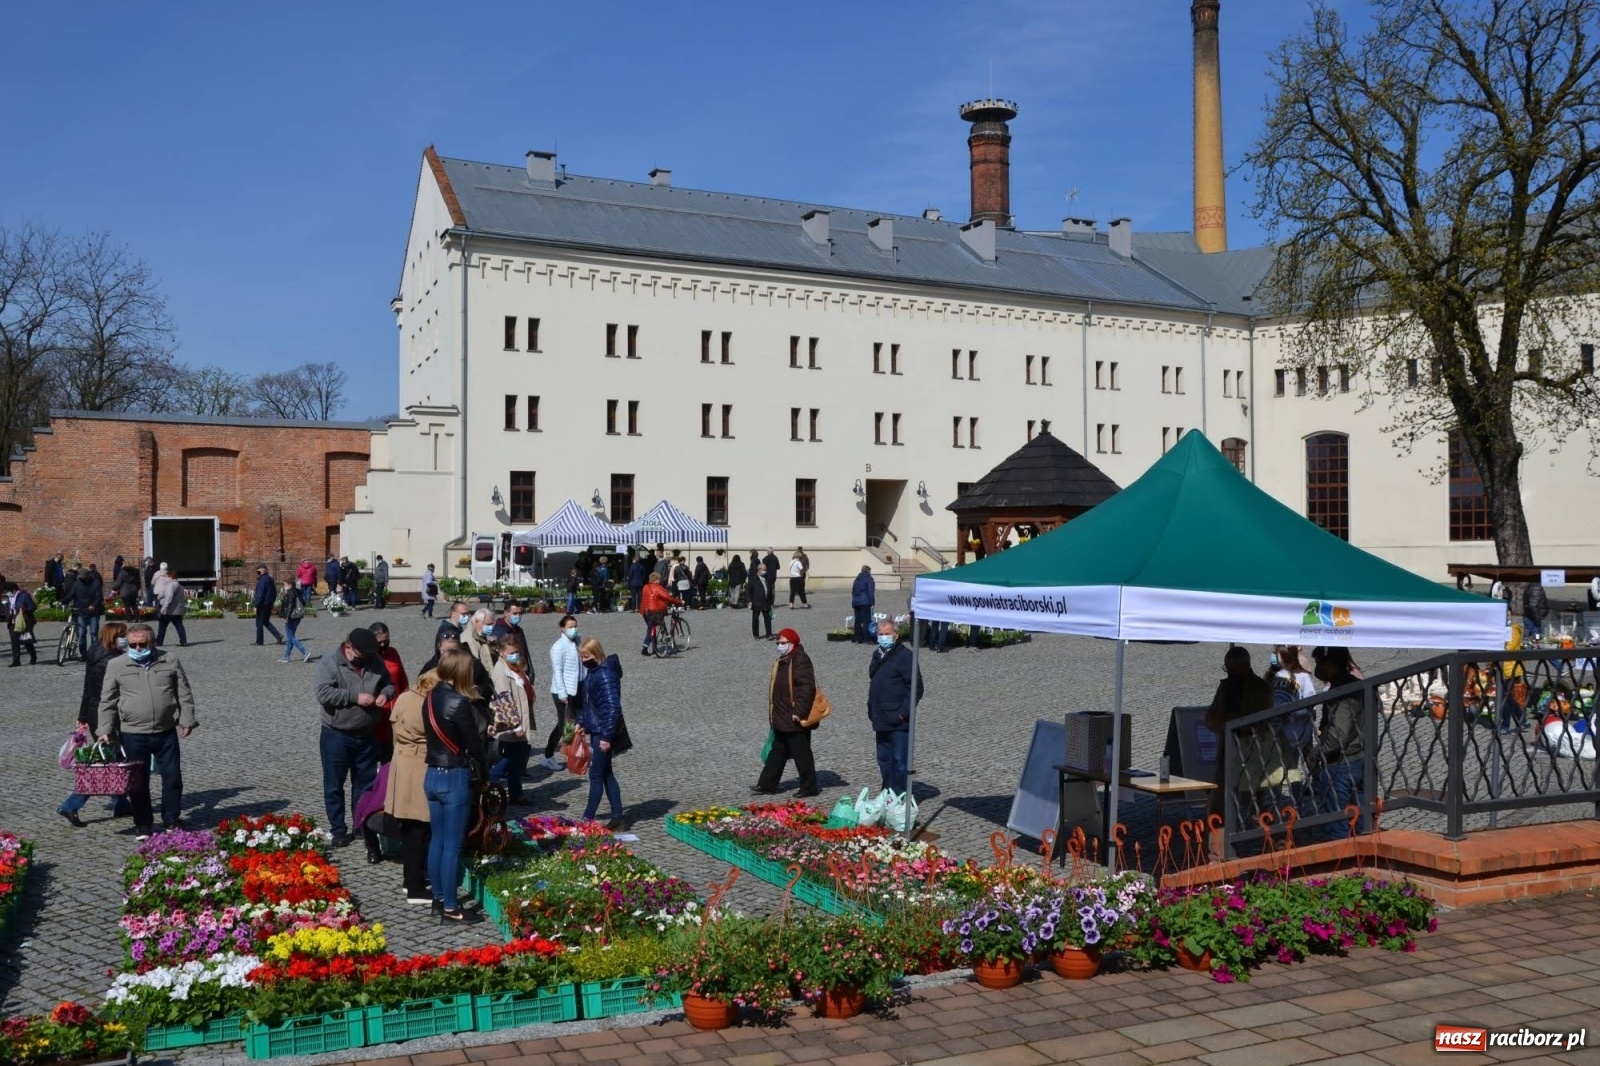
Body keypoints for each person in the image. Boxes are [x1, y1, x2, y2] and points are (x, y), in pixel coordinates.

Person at [98, 623, 197, 837]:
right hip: (133, 733)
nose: (138, 648)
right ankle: (143, 824)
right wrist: (104, 728)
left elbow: (184, 692)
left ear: (152, 643)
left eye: (143, 644)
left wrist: (187, 719)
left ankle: (171, 819)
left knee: (172, 777)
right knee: (138, 782)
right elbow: (108, 699)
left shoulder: (169, 659)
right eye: (133, 644)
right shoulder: (117, 665)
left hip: (166, 731)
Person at [420, 649, 488, 923]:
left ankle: (437, 898)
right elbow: (475, 745)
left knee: (436, 839)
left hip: (432, 775)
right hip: (453, 776)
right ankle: (451, 907)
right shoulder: (459, 703)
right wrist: (485, 777)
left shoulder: (429, 697)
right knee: (453, 845)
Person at [314, 627, 396, 849]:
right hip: (337, 734)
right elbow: (322, 693)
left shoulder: (373, 660)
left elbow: (389, 682)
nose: (366, 660)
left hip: (367, 734)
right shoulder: (330, 662)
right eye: (362, 656)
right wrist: (354, 697)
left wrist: (384, 695)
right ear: (349, 648)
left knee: (365, 783)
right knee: (334, 784)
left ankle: (360, 824)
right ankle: (338, 829)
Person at [60, 622, 133, 826]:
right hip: (109, 717)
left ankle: (120, 804)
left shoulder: (94, 654)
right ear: (113, 637)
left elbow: (88, 688)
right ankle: (71, 804)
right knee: (108, 764)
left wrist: (83, 715)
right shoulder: (113, 660)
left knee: (116, 761)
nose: (126, 639)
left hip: (94, 714)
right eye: (123, 635)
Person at [1204, 646, 1275, 857]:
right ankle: (1217, 853)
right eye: (1227, 668)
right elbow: (1211, 719)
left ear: (1244, 666)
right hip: (1227, 753)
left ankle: (1275, 846)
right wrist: (1226, 721)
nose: (1228, 673)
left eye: (1231, 668)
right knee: (1219, 806)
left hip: (1253, 756)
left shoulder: (1261, 688)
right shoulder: (1226, 687)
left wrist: (1228, 721)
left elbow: (1255, 721)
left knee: (1256, 807)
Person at [385, 669, 434, 903]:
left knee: (409, 828)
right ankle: (415, 886)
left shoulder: (405, 697)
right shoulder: (424, 704)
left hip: (402, 763)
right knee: (418, 829)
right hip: (418, 766)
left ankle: (410, 880)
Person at [755, 628, 821, 797]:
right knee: (778, 751)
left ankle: (809, 786)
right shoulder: (783, 660)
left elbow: (807, 688)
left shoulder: (800, 660)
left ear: (793, 643)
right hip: (782, 715)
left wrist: (799, 711)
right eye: (778, 643)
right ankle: (766, 784)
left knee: (802, 753)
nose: (780, 646)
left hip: (794, 716)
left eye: (783, 643)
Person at [1311, 646, 1365, 837]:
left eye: (1319, 664)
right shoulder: (1353, 685)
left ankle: (1343, 860)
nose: (1317, 669)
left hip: (1342, 762)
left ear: (1331, 664)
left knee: (1337, 822)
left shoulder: (1344, 692)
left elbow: (1338, 735)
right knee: (1359, 820)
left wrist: (1317, 752)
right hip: (1358, 757)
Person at [575, 636, 629, 828]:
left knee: (596, 775)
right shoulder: (594, 672)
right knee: (606, 774)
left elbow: (613, 707)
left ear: (596, 654)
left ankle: (587, 818)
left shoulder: (604, 675)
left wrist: (606, 736)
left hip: (603, 732)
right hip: (597, 728)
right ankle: (618, 816)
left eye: (586, 656)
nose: (583, 660)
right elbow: (590, 703)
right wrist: (581, 721)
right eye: (581, 657)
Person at [867, 619, 923, 794]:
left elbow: (916, 688)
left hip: (898, 719)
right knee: (883, 758)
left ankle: (899, 794)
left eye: (887, 634)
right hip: (880, 717)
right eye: (881, 634)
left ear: (896, 635)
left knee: (899, 760)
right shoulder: (878, 654)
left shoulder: (905, 656)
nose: (884, 637)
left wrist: (902, 713)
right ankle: (888, 791)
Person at [490, 632, 535, 803]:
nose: (514, 655)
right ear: (501, 652)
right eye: (510, 652)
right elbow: (503, 700)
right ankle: (489, 783)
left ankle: (516, 793)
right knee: (508, 760)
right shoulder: (501, 671)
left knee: (516, 760)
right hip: (510, 724)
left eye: (516, 651)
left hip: (519, 720)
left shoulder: (513, 668)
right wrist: (515, 726)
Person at [546, 613, 581, 770]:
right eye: (570, 627)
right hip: (563, 691)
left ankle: (568, 751)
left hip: (575, 688)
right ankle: (548, 755)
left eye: (575, 626)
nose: (573, 629)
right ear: (562, 628)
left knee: (572, 723)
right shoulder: (558, 647)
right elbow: (557, 671)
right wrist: (562, 693)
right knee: (563, 724)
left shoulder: (576, 642)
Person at [369, 621, 408, 763]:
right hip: (377, 712)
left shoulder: (393, 653)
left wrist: (405, 700)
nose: (383, 645)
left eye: (386, 641)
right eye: (379, 642)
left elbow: (403, 678)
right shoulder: (368, 658)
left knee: (391, 754)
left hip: (395, 709)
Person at [422, 628, 494, 700]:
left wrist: (475, 691)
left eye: (453, 652)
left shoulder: (473, 664)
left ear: (460, 648)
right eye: (445, 652)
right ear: (438, 647)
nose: (449, 656)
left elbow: (489, 685)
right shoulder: (430, 668)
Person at [637, 571, 682, 655]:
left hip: (645, 611)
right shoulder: (658, 588)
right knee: (651, 629)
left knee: (651, 627)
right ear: (656, 580)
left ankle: (655, 648)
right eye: (659, 579)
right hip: (655, 611)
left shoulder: (645, 587)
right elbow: (667, 597)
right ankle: (645, 648)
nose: (660, 581)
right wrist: (679, 602)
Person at [152, 567, 188, 648]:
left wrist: (164, 608)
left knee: (162, 626)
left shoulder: (170, 585)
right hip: (177, 610)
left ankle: (159, 642)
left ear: (171, 577)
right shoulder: (179, 585)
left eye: (167, 576)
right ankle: (183, 641)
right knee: (179, 626)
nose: (166, 578)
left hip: (169, 610)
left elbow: (169, 596)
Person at [278, 579, 312, 662]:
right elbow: (303, 602)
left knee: (291, 637)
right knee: (291, 637)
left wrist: (286, 617)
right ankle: (286, 656)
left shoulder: (290, 593)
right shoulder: (298, 592)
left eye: (285, 584)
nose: (284, 586)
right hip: (298, 617)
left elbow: (290, 605)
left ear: (290, 584)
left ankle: (304, 651)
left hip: (291, 617)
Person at [7, 582, 37, 666]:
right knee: (14, 642)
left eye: (8, 591)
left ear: (13, 589)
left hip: (24, 620)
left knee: (26, 640)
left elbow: (33, 607)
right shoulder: (9, 597)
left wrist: (25, 609)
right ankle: (16, 661)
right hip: (13, 621)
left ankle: (33, 656)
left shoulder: (24, 595)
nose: (7, 593)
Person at [252, 565, 284, 646]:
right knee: (265, 621)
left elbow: (260, 594)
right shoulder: (270, 579)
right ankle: (278, 635)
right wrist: (272, 602)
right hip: (268, 603)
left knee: (259, 623)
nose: (258, 573)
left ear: (264, 571)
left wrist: (257, 605)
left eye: (259, 571)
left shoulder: (262, 580)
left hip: (262, 604)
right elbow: (274, 592)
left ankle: (259, 641)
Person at [462, 607, 498, 674]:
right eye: (488, 624)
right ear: (476, 622)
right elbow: (474, 665)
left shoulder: (481, 635)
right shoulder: (469, 639)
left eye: (492, 624)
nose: (491, 627)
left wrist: (493, 646)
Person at [851, 566, 876, 643]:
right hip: (865, 601)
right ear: (868, 571)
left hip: (856, 602)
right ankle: (867, 639)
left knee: (857, 621)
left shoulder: (856, 579)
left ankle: (857, 638)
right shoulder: (869, 578)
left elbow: (853, 592)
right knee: (866, 621)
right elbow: (870, 591)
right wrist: (872, 602)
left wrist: (853, 603)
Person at [748, 563, 773, 640]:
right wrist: (749, 601)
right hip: (756, 602)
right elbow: (748, 591)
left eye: (766, 570)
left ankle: (769, 634)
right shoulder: (753, 579)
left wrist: (771, 601)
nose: (765, 571)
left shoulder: (767, 578)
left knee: (767, 619)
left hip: (766, 602)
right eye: (764, 570)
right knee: (755, 619)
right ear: (759, 570)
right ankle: (756, 635)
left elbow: (770, 590)